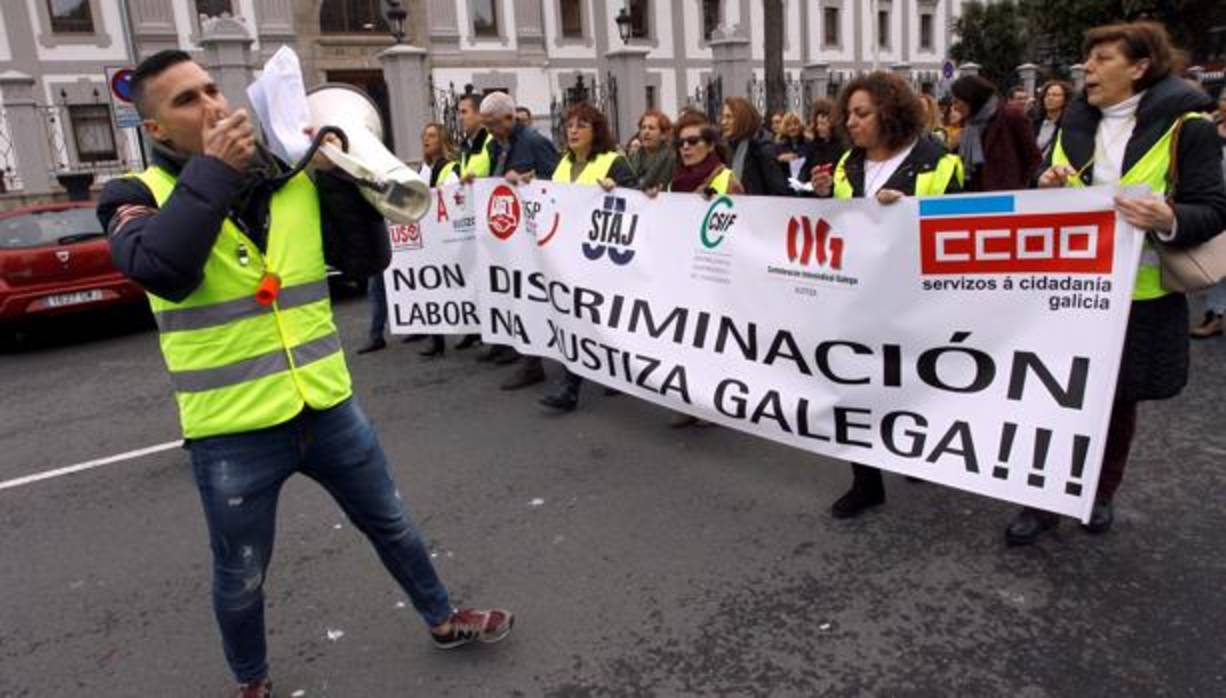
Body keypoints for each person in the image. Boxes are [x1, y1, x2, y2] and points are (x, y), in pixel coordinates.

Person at [98, 50, 513, 698]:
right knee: (241, 574)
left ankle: (442, 616)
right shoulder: (134, 195)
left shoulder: (286, 178)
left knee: (394, 524)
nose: (210, 104)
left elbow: (364, 264)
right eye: (186, 100)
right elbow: (162, 269)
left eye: (212, 89)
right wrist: (214, 170)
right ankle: (251, 681)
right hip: (233, 430)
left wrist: (346, 178)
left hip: (327, 405)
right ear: (155, 130)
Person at [1005, 21, 1226, 545]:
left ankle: (1099, 492)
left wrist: (1166, 216)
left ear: (1140, 66)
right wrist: (1043, 184)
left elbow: (1214, 209)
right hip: (1064, 292)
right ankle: (1043, 500)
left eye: (1103, 59)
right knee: (1052, 398)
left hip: (1139, 298)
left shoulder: (1187, 127)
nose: (1089, 69)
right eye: (1088, 59)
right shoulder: (1074, 124)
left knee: (1116, 401)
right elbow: (1042, 197)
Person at [810, 71, 964, 518]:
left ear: (890, 114)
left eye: (862, 114)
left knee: (912, 383)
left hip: (914, 300)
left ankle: (918, 450)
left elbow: (956, 230)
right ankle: (866, 481)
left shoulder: (937, 162)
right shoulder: (846, 164)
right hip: (857, 296)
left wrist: (913, 213)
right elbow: (839, 226)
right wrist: (824, 199)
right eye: (849, 114)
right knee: (855, 386)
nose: (851, 123)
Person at [539, 102, 638, 412]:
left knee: (599, 317)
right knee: (578, 316)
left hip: (603, 258)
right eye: (569, 125)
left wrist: (617, 189)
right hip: (568, 257)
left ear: (596, 131)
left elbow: (638, 202)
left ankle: (580, 383)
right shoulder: (562, 164)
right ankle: (587, 380)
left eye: (581, 125)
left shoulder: (613, 161)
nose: (573, 130)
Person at [472, 91, 560, 390]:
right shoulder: (499, 144)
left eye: (493, 124)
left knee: (535, 297)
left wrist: (528, 178)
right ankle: (524, 355)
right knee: (517, 295)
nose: (490, 130)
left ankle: (537, 361)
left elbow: (557, 181)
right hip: (511, 234)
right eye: (486, 125)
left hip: (534, 236)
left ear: (510, 118)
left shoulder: (534, 142)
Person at [416, 122, 462, 358]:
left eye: (432, 135)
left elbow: (451, 198)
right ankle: (437, 338)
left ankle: (472, 332)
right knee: (431, 287)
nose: (427, 139)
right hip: (428, 237)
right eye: (424, 135)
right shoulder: (422, 169)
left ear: (442, 140)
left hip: (445, 236)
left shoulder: (451, 167)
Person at [950, 74, 1043, 192]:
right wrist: (952, 146)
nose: (955, 106)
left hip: (1007, 197)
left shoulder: (1011, 116)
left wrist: (1019, 186)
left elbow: (1033, 158)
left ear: (971, 98)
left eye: (957, 101)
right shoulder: (969, 124)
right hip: (975, 195)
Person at [452, 92, 490, 351]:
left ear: (478, 113)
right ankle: (474, 327)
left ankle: (489, 333)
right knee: (470, 277)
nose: (460, 116)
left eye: (465, 111)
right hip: (469, 220)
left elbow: (488, 175)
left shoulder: (489, 143)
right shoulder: (467, 143)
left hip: (486, 222)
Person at [1189, 85, 1226, 338]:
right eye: (1224, 98)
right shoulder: (1208, 127)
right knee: (1220, 262)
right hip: (1216, 202)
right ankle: (1216, 314)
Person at [720, 97, 792, 196]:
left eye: (729, 117)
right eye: (723, 117)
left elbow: (779, 191)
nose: (723, 122)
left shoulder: (763, 149)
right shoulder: (731, 147)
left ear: (743, 119)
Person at [797, 98, 844, 192]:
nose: (819, 128)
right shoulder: (813, 146)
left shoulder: (842, 147)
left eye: (823, 124)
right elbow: (805, 172)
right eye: (817, 124)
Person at [627, 109, 676, 191]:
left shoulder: (672, 159)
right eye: (643, 128)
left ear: (663, 135)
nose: (646, 132)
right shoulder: (632, 156)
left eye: (651, 128)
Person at [1033, 80, 1073, 160]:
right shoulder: (1035, 123)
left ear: (1065, 99)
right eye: (1047, 95)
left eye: (1055, 95)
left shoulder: (1069, 126)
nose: (1050, 98)